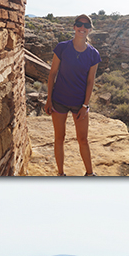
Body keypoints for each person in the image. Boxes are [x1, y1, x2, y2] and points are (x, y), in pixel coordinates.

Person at [44, 14, 100, 176]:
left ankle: (90, 174)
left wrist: (85, 105)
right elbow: (52, 74)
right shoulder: (62, 47)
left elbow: (90, 82)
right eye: (79, 24)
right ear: (74, 27)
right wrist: (48, 99)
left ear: (90, 29)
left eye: (86, 26)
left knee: (83, 140)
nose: (82, 28)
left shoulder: (93, 54)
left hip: (79, 103)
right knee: (59, 138)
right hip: (59, 100)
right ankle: (60, 174)